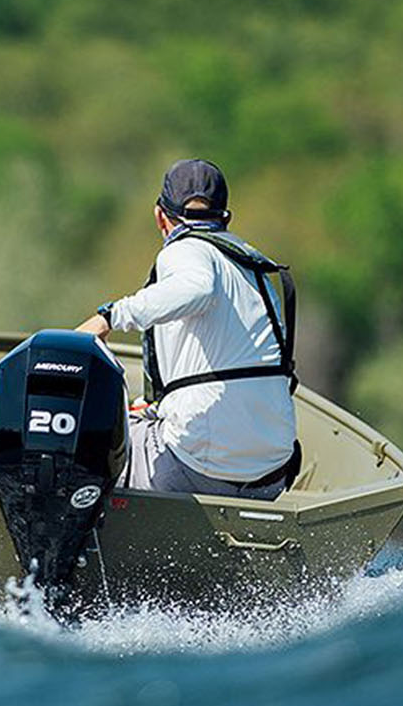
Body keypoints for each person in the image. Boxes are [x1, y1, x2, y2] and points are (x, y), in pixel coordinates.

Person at [76, 159, 300, 500]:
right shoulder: (251, 266)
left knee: (91, 436)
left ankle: (69, 549)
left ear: (160, 217)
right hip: (271, 470)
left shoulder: (184, 250)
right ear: (226, 218)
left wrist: (108, 317)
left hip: (199, 465)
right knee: (145, 416)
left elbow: (196, 289)